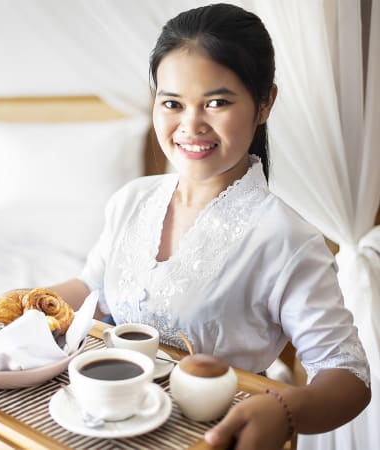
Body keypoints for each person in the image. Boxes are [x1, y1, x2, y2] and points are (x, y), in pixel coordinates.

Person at [47, 3, 371, 449]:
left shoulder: (287, 238)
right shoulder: (131, 200)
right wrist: (23, 304)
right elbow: (92, 288)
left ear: (264, 103)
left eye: (216, 102)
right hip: (107, 424)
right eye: (172, 103)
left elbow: (347, 375)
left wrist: (285, 412)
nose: (190, 125)